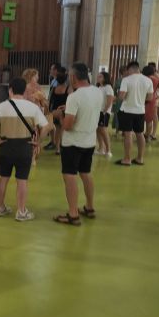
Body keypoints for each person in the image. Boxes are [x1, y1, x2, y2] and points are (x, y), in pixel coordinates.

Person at [0, 78, 52, 221]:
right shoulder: (32, 107)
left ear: (10, 90)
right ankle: (21, 212)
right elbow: (47, 126)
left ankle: (0, 207)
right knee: (22, 180)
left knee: (3, 177)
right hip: (25, 146)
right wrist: (38, 141)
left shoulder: (2, 106)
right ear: (24, 91)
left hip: (6, 145)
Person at [53, 62, 104, 226]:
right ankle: (89, 207)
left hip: (73, 143)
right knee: (85, 173)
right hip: (89, 141)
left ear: (74, 77)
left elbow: (67, 125)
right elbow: (88, 110)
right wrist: (68, 109)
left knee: (70, 176)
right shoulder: (97, 92)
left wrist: (60, 115)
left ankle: (73, 213)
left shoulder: (74, 97)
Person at [115, 61, 153, 166]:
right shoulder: (148, 80)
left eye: (128, 70)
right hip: (140, 111)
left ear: (130, 69)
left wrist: (119, 97)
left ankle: (127, 159)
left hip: (127, 110)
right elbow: (150, 97)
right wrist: (140, 102)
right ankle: (140, 158)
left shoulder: (126, 80)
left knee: (128, 134)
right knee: (140, 134)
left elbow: (121, 96)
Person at [48, 67, 70, 155]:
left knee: (57, 130)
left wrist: (50, 111)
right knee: (63, 130)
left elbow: (50, 101)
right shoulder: (68, 88)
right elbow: (70, 100)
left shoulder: (54, 89)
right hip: (64, 111)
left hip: (55, 111)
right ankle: (62, 147)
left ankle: (57, 149)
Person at [95, 72, 114, 157]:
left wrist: (104, 111)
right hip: (97, 111)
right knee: (98, 130)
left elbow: (110, 100)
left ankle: (108, 150)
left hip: (104, 112)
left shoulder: (108, 87)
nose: (98, 77)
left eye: (100, 76)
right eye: (98, 76)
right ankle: (101, 149)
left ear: (105, 78)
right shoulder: (99, 87)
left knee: (103, 130)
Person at [112, 65, 128, 135]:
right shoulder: (119, 80)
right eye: (126, 71)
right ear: (123, 72)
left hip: (126, 100)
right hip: (119, 100)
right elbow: (115, 90)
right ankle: (117, 129)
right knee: (118, 114)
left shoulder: (128, 80)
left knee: (125, 115)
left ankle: (124, 130)